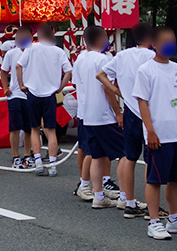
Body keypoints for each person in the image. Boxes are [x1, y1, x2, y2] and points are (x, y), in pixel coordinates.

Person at [133, 26, 177, 241]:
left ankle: (174, 219)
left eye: (172, 40)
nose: (169, 44)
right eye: (164, 41)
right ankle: (154, 222)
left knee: (175, 179)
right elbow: (142, 103)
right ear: (153, 44)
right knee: (155, 180)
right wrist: (150, 131)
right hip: (159, 136)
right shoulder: (146, 70)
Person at [97, 22, 155, 218]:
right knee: (150, 159)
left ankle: (127, 200)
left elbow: (101, 75)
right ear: (151, 38)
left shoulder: (122, 55)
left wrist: (117, 92)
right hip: (150, 112)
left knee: (129, 156)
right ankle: (152, 204)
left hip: (130, 109)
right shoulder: (153, 56)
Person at [72, 26, 123, 210]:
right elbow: (106, 87)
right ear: (101, 38)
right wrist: (118, 112)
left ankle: (94, 190)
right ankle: (125, 196)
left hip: (86, 112)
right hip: (102, 113)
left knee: (94, 153)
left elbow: (78, 85)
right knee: (124, 152)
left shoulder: (80, 59)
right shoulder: (102, 59)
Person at [16, 23, 72, 176]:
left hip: (33, 93)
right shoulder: (58, 51)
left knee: (35, 128)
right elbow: (68, 71)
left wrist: (21, 84)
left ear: (39, 35)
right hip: (50, 94)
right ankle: (53, 164)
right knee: (51, 130)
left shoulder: (31, 48)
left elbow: (18, 66)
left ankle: (38, 162)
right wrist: (60, 87)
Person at [0, 27, 34, 170]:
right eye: (20, 36)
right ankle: (15, 157)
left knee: (29, 128)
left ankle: (27, 155)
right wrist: (5, 88)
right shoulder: (11, 54)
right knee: (14, 128)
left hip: (31, 94)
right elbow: (3, 71)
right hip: (14, 95)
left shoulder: (34, 52)